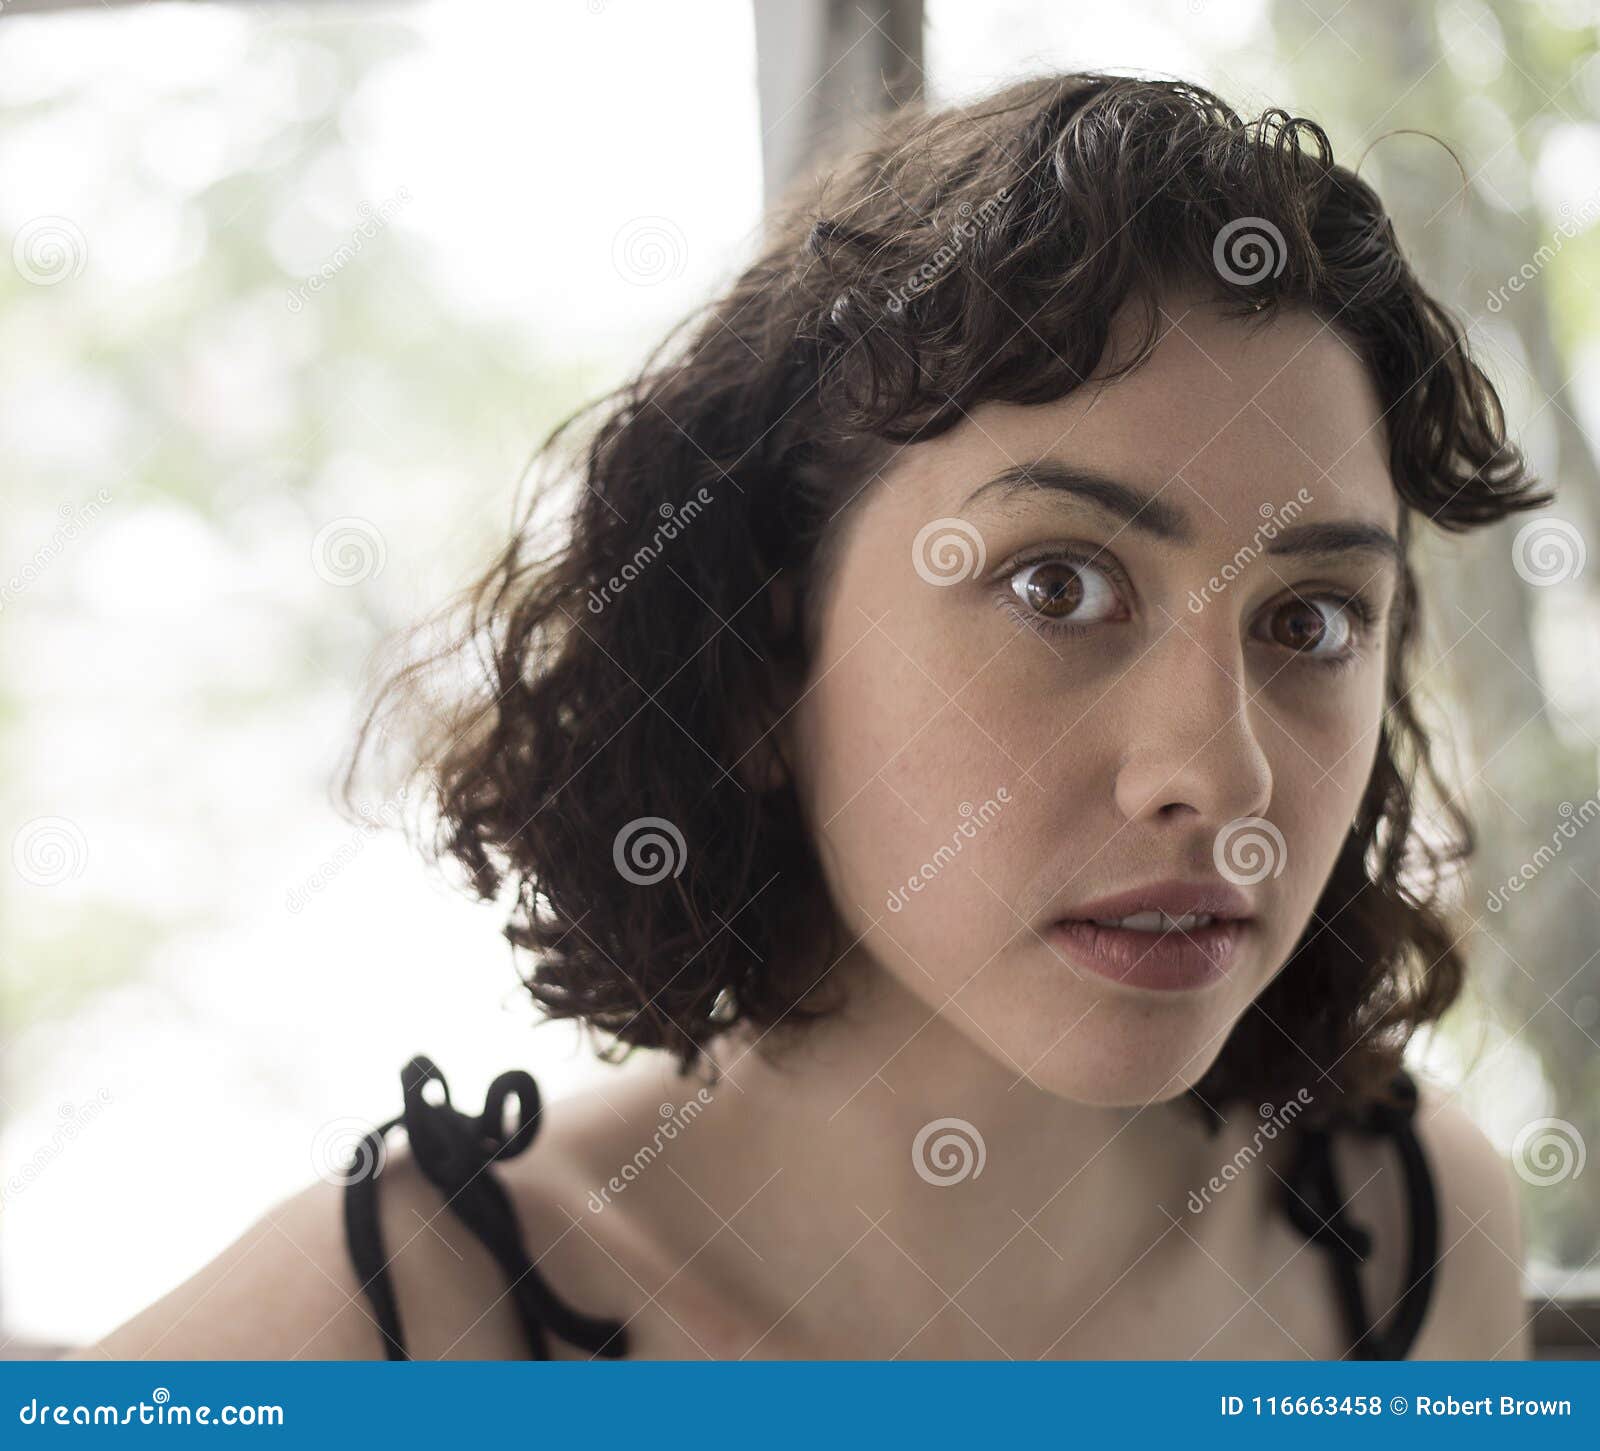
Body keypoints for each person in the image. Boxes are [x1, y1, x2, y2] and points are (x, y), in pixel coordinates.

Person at [74, 71, 1544, 1362]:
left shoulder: (1413, 1241)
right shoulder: (399, 1329)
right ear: (762, 658)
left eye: (1311, 620)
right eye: (1056, 587)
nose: (1217, 775)